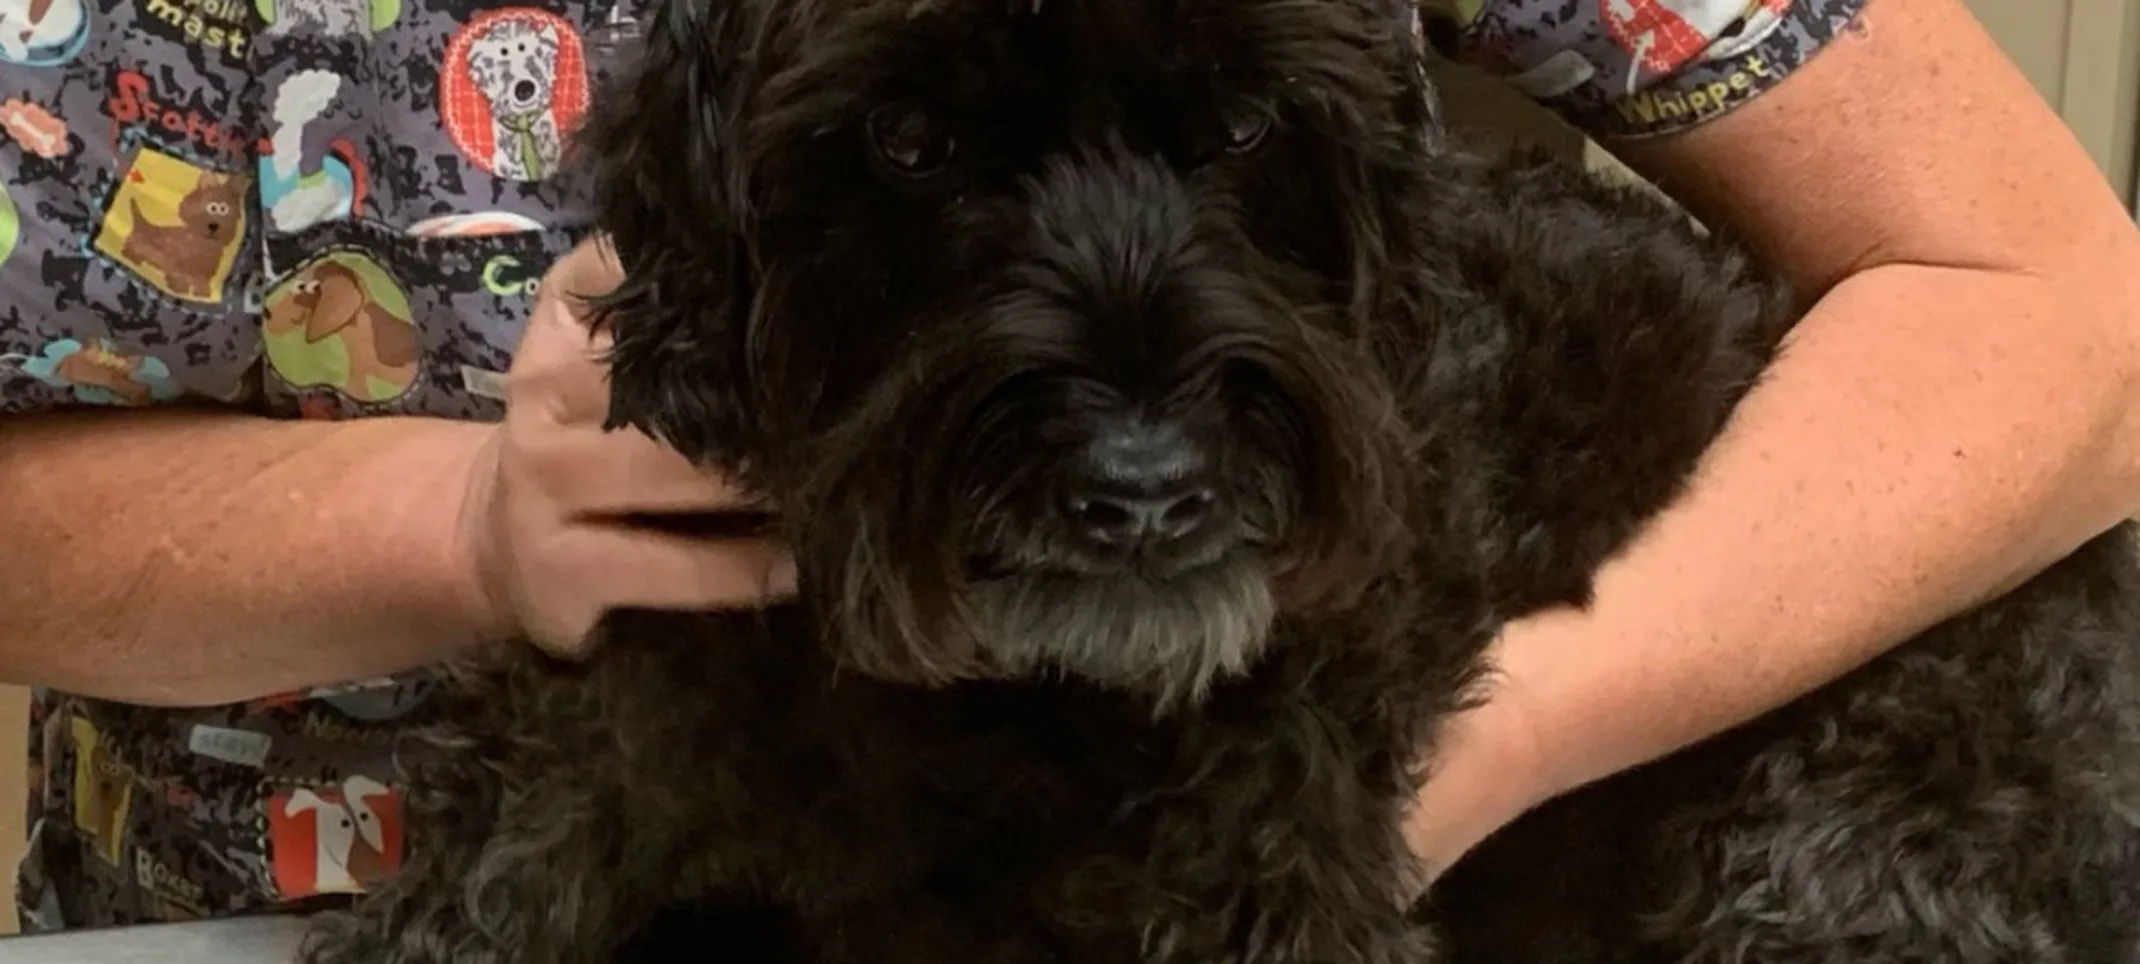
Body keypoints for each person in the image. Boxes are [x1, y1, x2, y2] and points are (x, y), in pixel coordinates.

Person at [0, 0, 2132, 932]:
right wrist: (451, 524)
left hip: (1291, 836)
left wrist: (1504, 727)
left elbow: (2066, 313)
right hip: (297, 885)